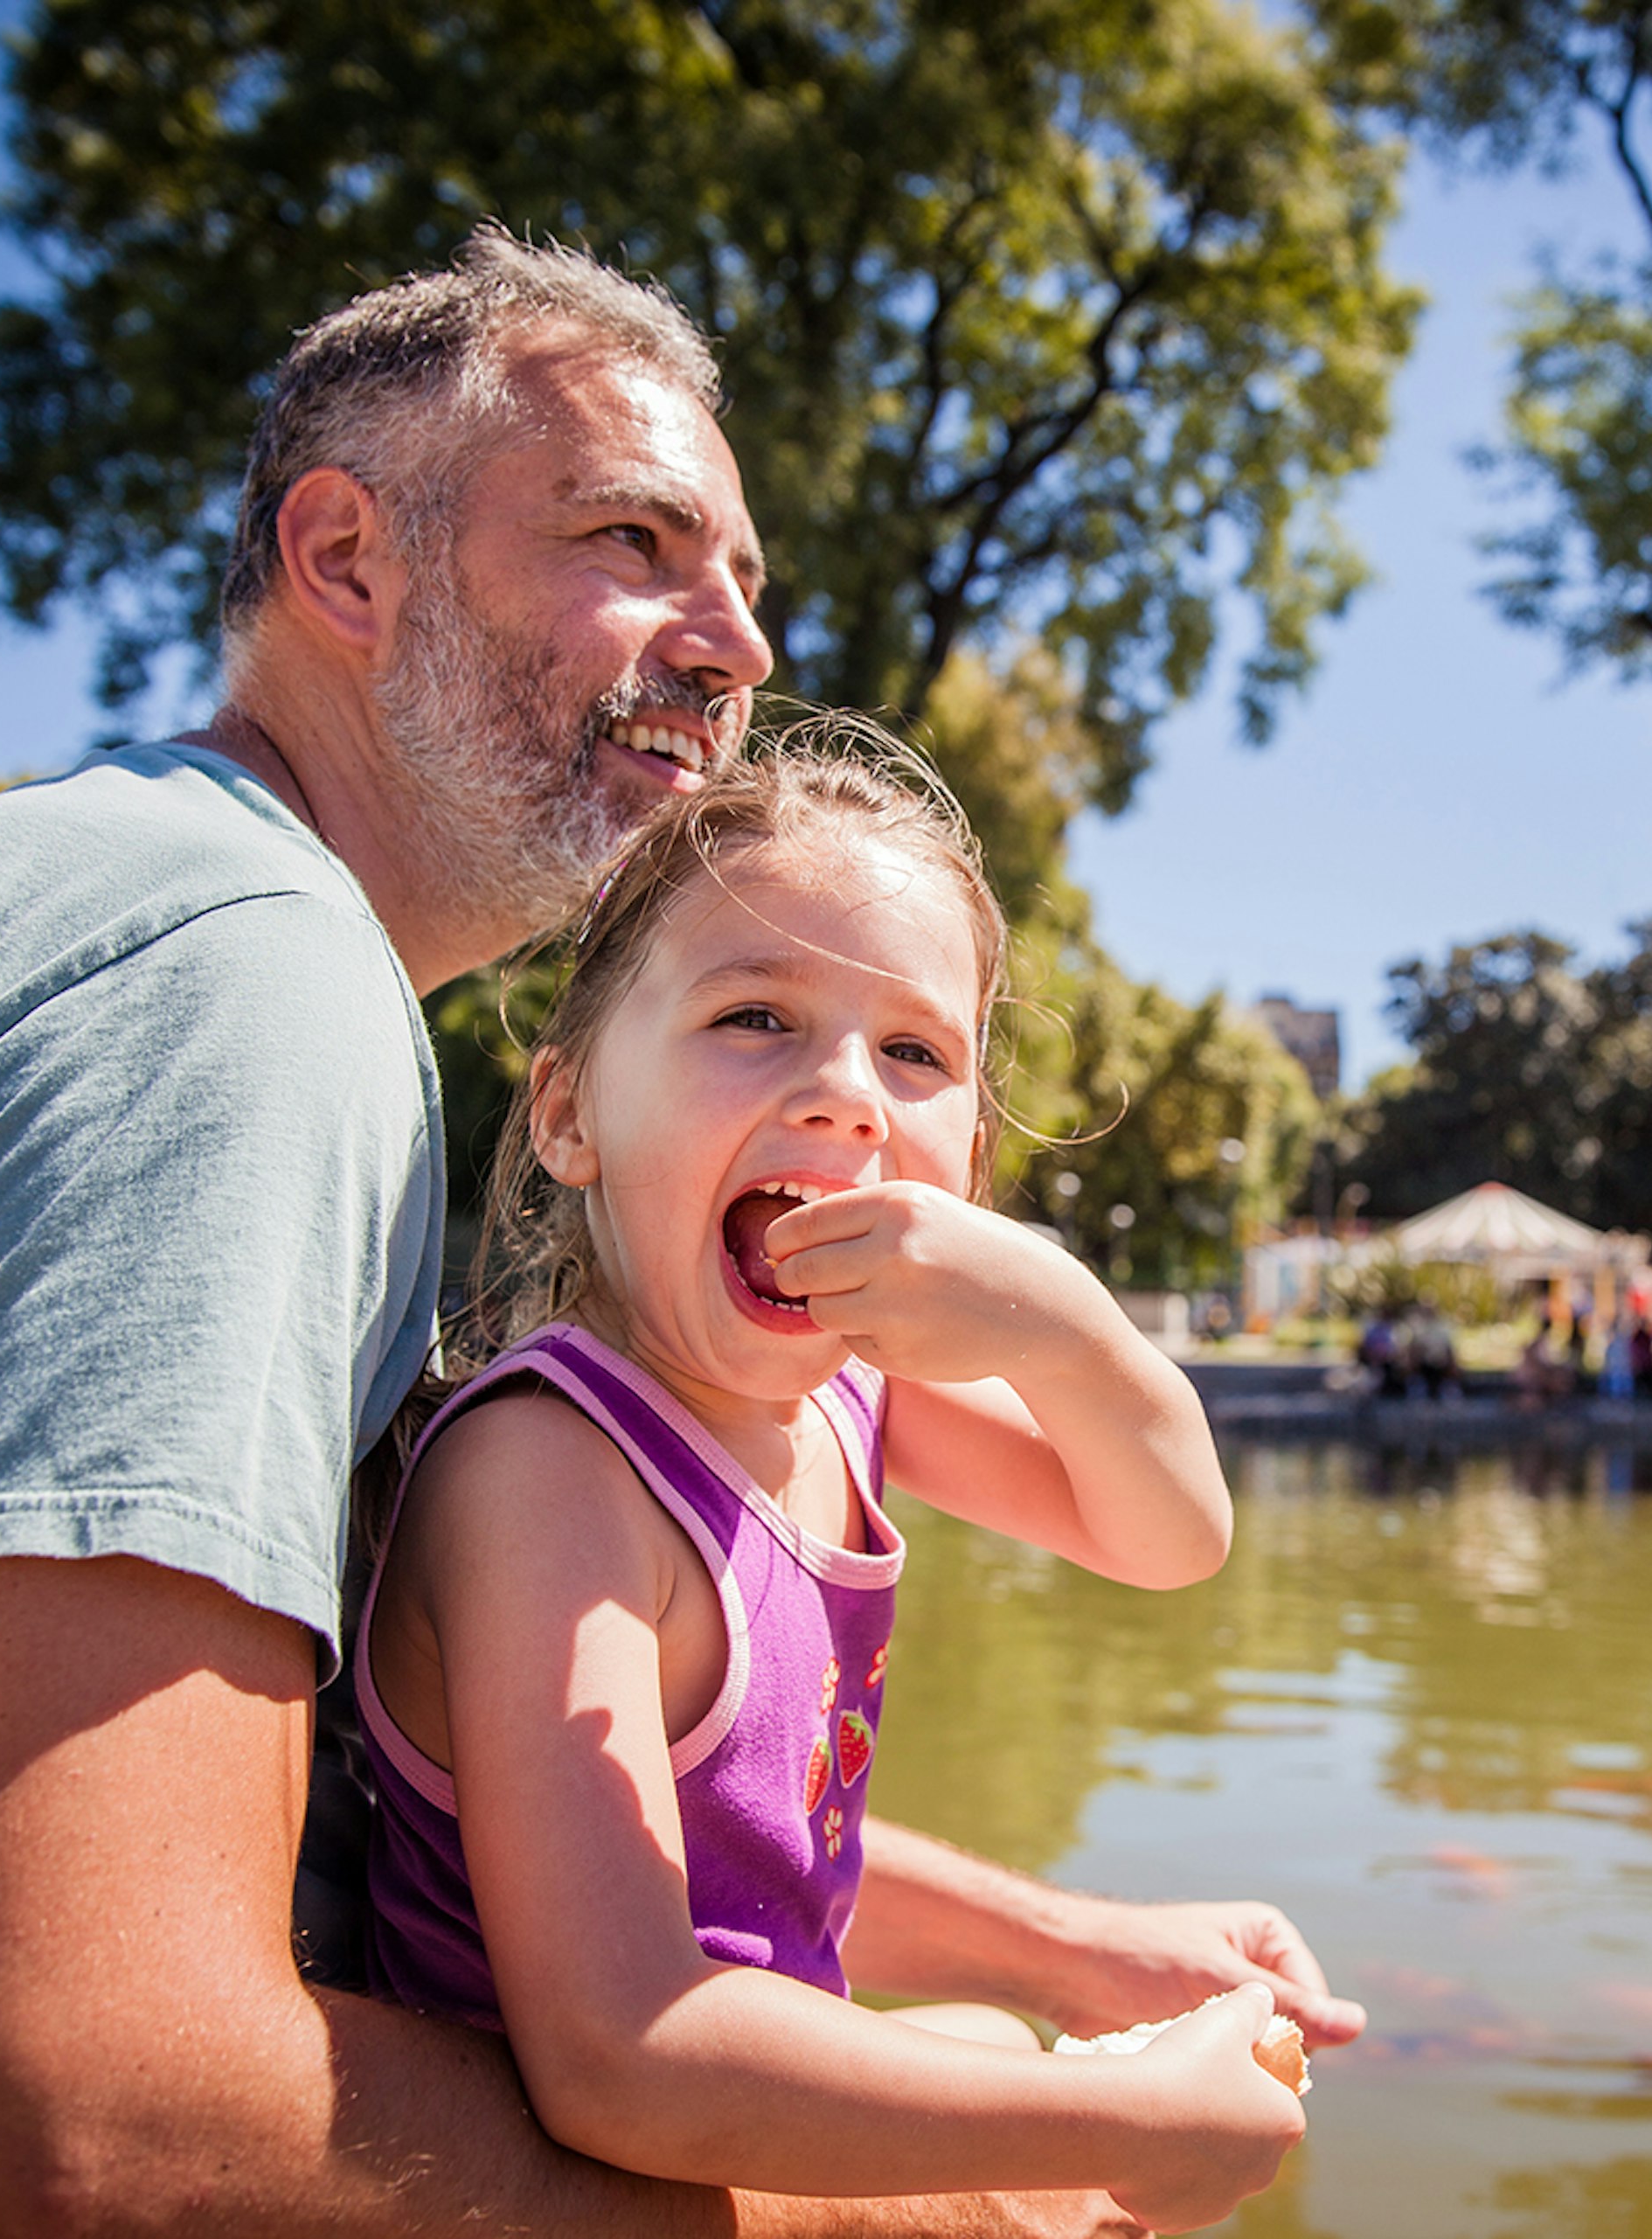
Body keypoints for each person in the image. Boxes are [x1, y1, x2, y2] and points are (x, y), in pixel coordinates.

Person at [0, 229, 1352, 2239]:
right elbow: (59, 2137)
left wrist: (1059, 1953)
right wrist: (991, 2190)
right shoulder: (233, 994)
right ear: (344, 560)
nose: (731, 644)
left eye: (744, 582)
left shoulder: (38, 906)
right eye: (633, 538)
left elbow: (615, 1807)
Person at [356, 746, 1299, 2222]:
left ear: (966, 1161)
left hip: (726, 2115)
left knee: (990, 2036)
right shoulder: (549, 1480)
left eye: (916, 1054)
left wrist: (1068, 1326)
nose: (850, 1093)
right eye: (756, 1017)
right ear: (567, 1117)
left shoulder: (857, 1390)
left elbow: (1172, 1534)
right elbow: (624, 2052)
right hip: (559, 2179)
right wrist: (1108, 2116)